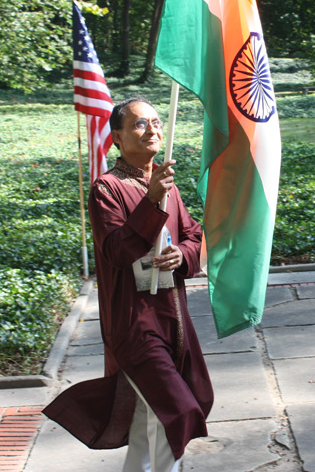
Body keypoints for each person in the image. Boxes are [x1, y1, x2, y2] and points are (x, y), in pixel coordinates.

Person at [43, 96, 214, 472]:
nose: (152, 129)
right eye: (140, 124)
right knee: (177, 412)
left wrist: (181, 256)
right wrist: (152, 201)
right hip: (134, 324)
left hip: (174, 320)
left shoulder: (167, 184)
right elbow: (117, 251)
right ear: (117, 137)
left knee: (147, 419)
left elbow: (193, 236)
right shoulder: (106, 189)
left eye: (156, 122)